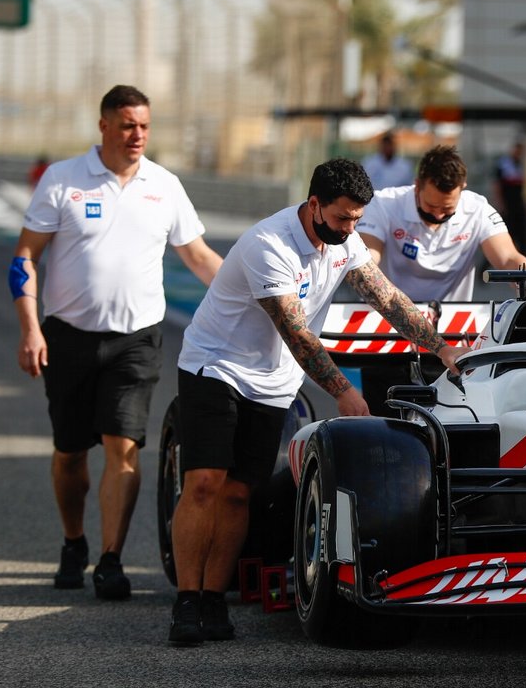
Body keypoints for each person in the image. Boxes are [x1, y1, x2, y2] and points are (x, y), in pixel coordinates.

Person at [169, 158, 461, 646]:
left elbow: (388, 299)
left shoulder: (345, 244)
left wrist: (443, 347)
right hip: (215, 365)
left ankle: (214, 597)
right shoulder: (270, 244)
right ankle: (186, 598)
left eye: (358, 220)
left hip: (272, 381)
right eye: (343, 218)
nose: (351, 229)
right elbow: (297, 334)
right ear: (314, 206)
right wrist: (343, 393)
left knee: (241, 491)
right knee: (204, 483)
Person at [12, 85, 223, 601]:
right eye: (128, 125)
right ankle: (73, 541)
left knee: (123, 447)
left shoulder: (164, 185)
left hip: (137, 337)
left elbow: (197, 255)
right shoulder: (63, 180)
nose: (138, 135)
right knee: (69, 454)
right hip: (68, 336)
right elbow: (25, 257)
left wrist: (262, 296)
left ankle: (111, 558)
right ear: (104, 125)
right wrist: (31, 328)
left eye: (145, 126)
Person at [357, 144, 526, 305]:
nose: (439, 215)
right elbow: (368, 260)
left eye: (447, 208)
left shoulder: (477, 209)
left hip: (453, 323)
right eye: (431, 206)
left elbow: (509, 259)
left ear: (462, 188)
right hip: (389, 316)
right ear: (417, 186)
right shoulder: (383, 204)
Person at [494, 141, 526, 257]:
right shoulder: (503, 165)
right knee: (504, 237)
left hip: (519, 205)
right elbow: (497, 186)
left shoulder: (521, 165)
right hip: (508, 206)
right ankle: (486, 264)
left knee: (524, 237)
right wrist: (501, 205)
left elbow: (523, 187)